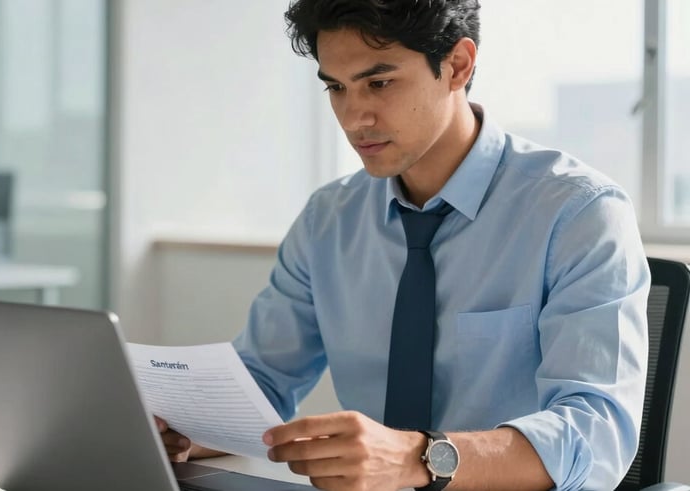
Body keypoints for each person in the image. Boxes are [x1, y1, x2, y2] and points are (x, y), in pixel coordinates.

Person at [158, 1, 650, 489]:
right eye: (336, 87)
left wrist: (420, 458)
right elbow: (261, 385)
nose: (353, 118)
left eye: (379, 83)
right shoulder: (328, 220)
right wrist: (180, 429)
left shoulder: (578, 213)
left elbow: (597, 433)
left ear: (457, 66)